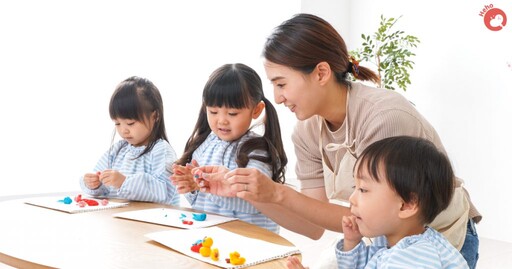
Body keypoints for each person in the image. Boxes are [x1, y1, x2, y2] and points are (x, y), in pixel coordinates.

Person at [192, 13, 481, 268]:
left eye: (281, 84)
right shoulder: (305, 131)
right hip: (383, 240)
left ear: (321, 73)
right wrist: (251, 191)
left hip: (434, 238)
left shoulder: (383, 116)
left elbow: (383, 215)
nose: (277, 98)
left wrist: (279, 193)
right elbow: (313, 225)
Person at [286, 136, 469, 269]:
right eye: (354, 187)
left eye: (363, 190)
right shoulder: (390, 239)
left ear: (406, 205)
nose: (352, 198)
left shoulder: (414, 258)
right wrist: (352, 242)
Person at [170, 63, 287, 233]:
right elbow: (201, 201)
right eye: (213, 112)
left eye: (232, 114)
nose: (222, 120)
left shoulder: (257, 151)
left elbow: (254, 201)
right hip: (213, 238)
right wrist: (190, 186)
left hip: (253, 242)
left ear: (256, 110)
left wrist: (206, 189)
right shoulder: (204, 145)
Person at [79, 76, 179, 205]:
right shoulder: (118, 149)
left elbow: (164, 191)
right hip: (123, 220)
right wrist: (94, 184)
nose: (123, 131)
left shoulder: (161, 150)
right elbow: (102, 184)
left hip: (154, 221)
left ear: (155, 116)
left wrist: (124, 182)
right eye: (117, 124)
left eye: (130, 123)